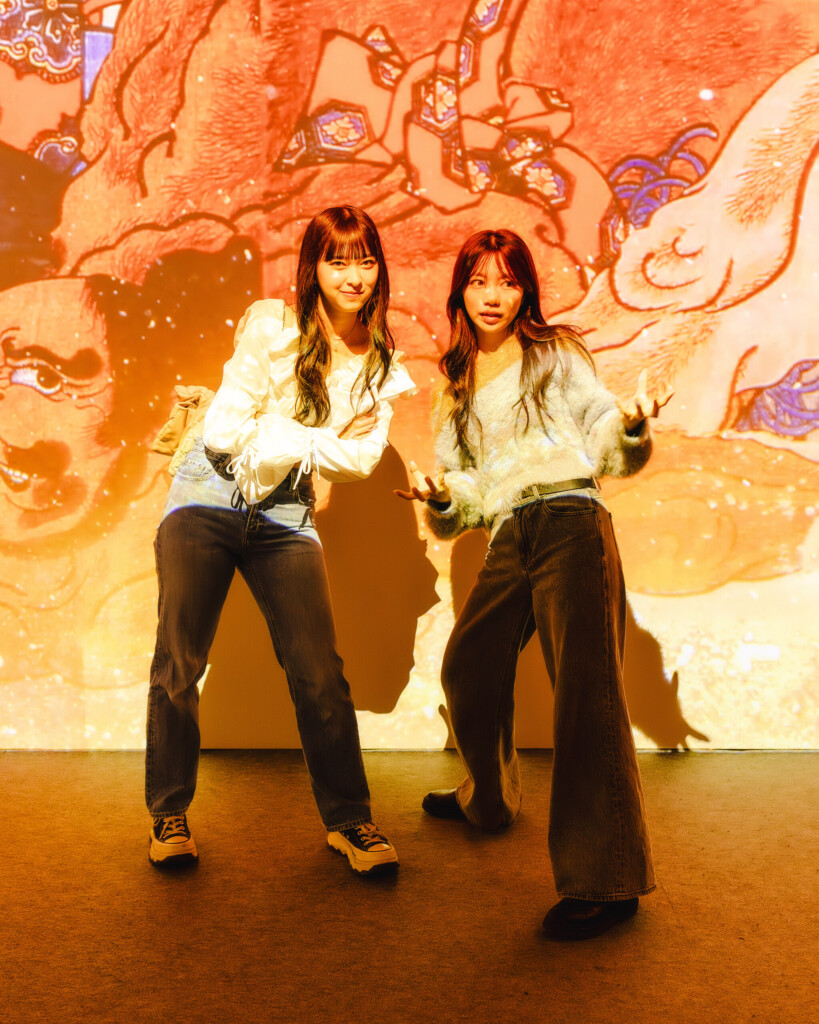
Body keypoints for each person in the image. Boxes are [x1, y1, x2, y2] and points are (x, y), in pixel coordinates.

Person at [396, 229, 671, 938]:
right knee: (467, 669)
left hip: (570, 517)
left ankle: (607, 880)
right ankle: (486, 800)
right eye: (479, 280)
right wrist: (442, 500)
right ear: (460, 290)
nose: (493, 295)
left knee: (585, 700)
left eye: (508, 281)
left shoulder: (556, 353)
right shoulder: (454, 383)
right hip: (508, 533)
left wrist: (630, 427)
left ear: (525, 290)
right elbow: (466, 490)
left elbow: (604, 430)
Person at [145, 206, 415, 874]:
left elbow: (361, 461)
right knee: (180, 662)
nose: (352, 276)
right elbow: (221, 431)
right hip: (207, 493)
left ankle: (350, 822)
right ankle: (169, 814)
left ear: (379, 268)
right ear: (312, 268)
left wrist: (277, 432)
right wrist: (317, 439)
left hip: (286, 510)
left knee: (319, 673)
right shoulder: (272, 324)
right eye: (336, 261)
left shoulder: (380, 364)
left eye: (365, 261)